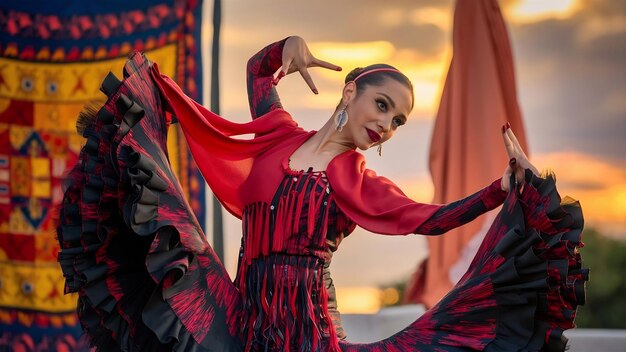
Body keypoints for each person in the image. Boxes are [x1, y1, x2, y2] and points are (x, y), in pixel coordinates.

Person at [56, 35, 587, 351]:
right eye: (382, 107)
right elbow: (258, 72)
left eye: (398, 121)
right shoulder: (279, 134)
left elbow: (431, 218)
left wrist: (500, 189)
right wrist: (287, 48)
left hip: (305, 325)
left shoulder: (358, 180)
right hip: (244, 312)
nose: (387, 125)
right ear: (351, 92)